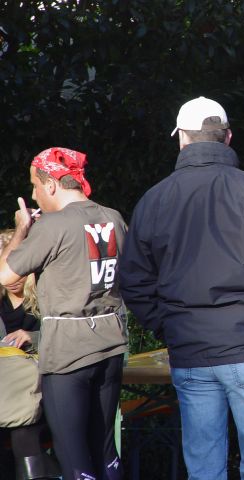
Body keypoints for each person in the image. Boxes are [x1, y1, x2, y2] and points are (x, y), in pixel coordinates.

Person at [118, 96, 244, 480]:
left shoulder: (155, 199)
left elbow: (134, 280)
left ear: (182, 139)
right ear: (228, 137)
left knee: (205, 470)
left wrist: (167, 326)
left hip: (191, 348)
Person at [0, 147, 129, 480]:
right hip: (111, 345)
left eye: (35, 185)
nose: (33, 195)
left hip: (68, 352)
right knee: (105, 449)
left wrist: (22, 229)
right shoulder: (113, 217)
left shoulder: (53, 225)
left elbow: (6, 276)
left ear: (52, 184)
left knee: (73, 453)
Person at [0, 230, 62, 480]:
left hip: (38, 392)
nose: (14, 278)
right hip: (6, 394)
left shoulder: (48, 298)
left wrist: (33, 337)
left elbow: (66, 338)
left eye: (21, 268)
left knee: (24, 432)